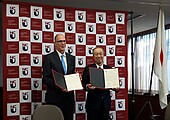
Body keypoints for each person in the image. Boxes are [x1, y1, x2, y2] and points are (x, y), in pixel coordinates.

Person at [42, 34, 75, 120]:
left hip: (68, 99)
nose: (63, 43)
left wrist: (76, 80)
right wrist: (59, 86)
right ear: (55, 43)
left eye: (64, 41)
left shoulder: (71, 58)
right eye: (60, 41)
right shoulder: (48, 58)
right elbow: (46, 78)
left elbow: (71, 75)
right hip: (55, 98)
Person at [82, 47, 119, 120]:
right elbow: (83, 85)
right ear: (93, 56)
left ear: (103, 55)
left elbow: (115, 87)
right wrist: (87, 86)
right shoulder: (88, 68)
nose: (98, 56)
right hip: (92, 104)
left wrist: (116, 88)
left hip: (105, 104)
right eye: (96, 54)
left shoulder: (109, 69)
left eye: (100, 54)